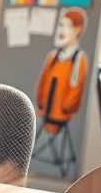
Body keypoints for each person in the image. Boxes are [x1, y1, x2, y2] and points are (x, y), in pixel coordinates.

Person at [36, 8, 89, 136]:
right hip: (46, 113)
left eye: (68, 26)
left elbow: (76, 89)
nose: (62, 31)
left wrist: (65, 108)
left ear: (78, 29)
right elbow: (43, 82)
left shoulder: (79, 59)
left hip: (61, 116)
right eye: (61, 25)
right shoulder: (52, 57)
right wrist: (41, 104)